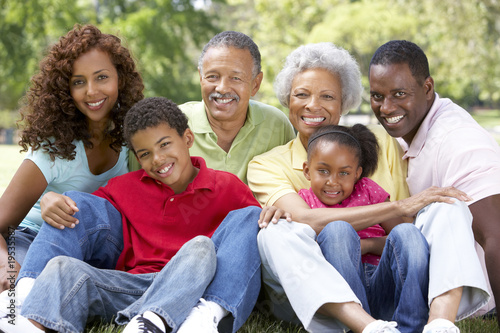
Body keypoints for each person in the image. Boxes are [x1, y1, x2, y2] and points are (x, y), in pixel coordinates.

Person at [248, 42, 470, 333]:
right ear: (287, 101)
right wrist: (396, 208)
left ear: (344, 104)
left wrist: (368, 242)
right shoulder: (266, 164)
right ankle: (359, 325)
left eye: (327, 96)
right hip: (314, 288)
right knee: (284, 232)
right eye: (301, 95)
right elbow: (306, 222)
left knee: (449, 207)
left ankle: (437, 322)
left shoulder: (383, 144)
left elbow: (405, 234)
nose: (313, 105)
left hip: (385, 275)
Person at [0, 97, 262, 333]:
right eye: (145, 154)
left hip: (196, 292)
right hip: (130, 287)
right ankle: (25, 302)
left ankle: (184, 321)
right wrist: (51, 198)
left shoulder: (227, 187)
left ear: (188, 139)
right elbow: (83, 218)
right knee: (71, 219)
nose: (158, 159)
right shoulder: (127, 187)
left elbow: (249, 248)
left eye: (165, 144)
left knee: (209, 242)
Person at [45, 30, 295, 231]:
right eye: (212, 76)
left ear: (256, 83)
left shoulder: (277, 124)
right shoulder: (166, 126)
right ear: (200, 77)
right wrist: (51, 198)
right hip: (175, 245)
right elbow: (134, 194)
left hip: (245, 239)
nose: (221, 87)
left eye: (236, 78)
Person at [0, 24, 144, 291]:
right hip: (33, 237)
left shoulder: (131, 140)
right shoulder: (54, 149)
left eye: (102, 77)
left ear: (120, 79)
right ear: (65, 90)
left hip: (90, 247)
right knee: (14, 292)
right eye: (79, 82)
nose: (91, 91)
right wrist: (5, 266)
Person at [369, 40, 498, 331]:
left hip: (467, 296)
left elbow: (497, 235)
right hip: (419, 278)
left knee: (445, 209)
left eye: (399, 94)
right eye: (377, 96)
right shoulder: (407, 131)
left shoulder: (459, 141)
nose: (386, 107)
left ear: (427, 88)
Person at [260, 123, 430, 332]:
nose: (333, 182)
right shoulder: (304, 205)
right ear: (307, 170)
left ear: (357, 173)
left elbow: (396, 239)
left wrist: (365, 245)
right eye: (323, 171)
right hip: (341, 290)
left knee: (409, 232)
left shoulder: (368, 191)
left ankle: (412, 327)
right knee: (337, 230)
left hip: (381, 281)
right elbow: (303, 251)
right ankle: (359, 326)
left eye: (344, 173)